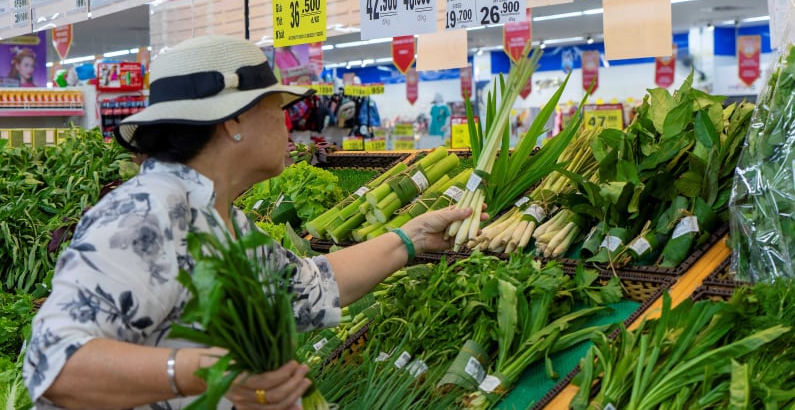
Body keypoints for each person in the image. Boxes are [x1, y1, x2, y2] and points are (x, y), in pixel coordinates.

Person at [23, 36, 477, 410]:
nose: (290, 125)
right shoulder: (144, 215)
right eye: (277, 108)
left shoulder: (223, 220)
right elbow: (54, 362)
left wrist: (411, 238)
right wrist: (211, 371)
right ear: (234, 120)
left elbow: (308, 286)